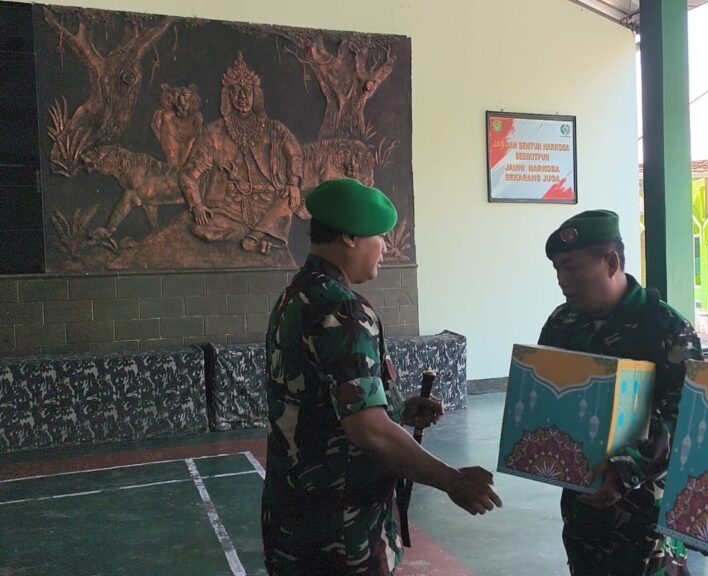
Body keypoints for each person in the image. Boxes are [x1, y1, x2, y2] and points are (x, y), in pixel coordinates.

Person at [261, 179, 502, 575]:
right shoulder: (342, 309)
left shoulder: (297, 297)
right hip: (342, 535)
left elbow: (322, 405)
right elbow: (368, 431)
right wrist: (452, 480)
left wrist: (396, 410)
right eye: (379, 237)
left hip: (294, 524)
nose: (385, 248)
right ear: (349, 237)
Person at [538, 209, 704, 576]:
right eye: (557, 269)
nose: (563, 280)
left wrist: (628, 468)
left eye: (572, 268)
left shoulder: (666, 328)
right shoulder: (563, 323)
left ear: (611, 262)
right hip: (583, 509)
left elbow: (689, 420)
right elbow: (547, 398)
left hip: (647, 516)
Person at [179, 52, 305, 255]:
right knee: (201, 229)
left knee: (288, 200)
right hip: (230, 208)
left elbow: (296, 154)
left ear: (256, 95)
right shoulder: (214, 132)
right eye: (236, 92)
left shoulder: (275, 129)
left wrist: (294, 183)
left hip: (269, 203)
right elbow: (188, 175)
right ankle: (257, 236)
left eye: (247, 91)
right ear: (227, 96)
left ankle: (257, 235)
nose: (242, 97)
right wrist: (196, 205)